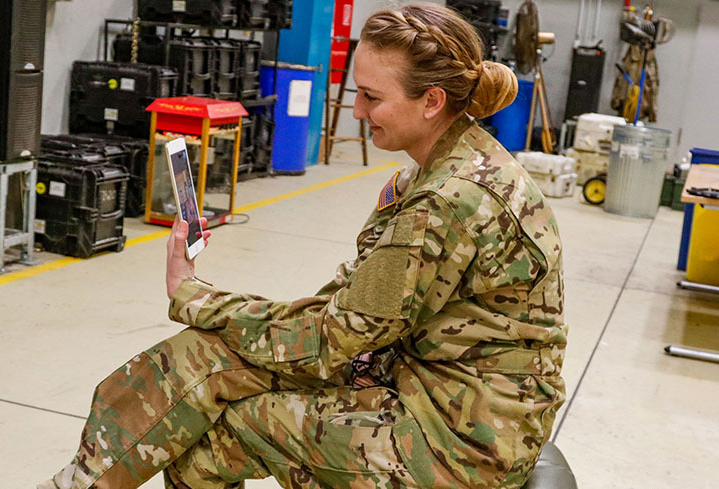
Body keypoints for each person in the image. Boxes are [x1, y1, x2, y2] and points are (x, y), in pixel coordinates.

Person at [39, 3, 566, 489]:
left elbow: (333, 339)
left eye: (372, 97)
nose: (356, 111)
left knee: (215, 439)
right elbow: (346, 305)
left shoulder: (448, 202)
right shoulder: (444, 171)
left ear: (432, 101)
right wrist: (208, 309)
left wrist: (198, 299)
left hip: (463, 440)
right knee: (200, 356)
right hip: (424, 385)